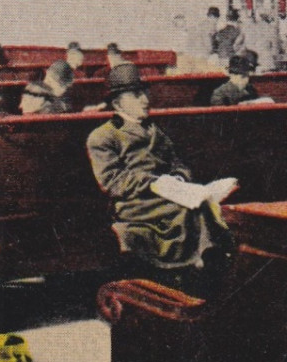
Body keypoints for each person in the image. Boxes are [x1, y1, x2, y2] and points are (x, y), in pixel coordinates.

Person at [86, 63, 236, 284]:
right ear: (118, 102)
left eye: (145, 93)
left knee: (205, 200)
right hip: (137, 202)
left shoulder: (155, 130)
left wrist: (178, 178)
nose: (145, 99)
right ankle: (202, 264)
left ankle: (212, 260)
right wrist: (155, 183)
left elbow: (177, 163)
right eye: (136, 95)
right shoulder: (103, 136)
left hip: (167, 192)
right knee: (190, 207)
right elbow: (112, 181)